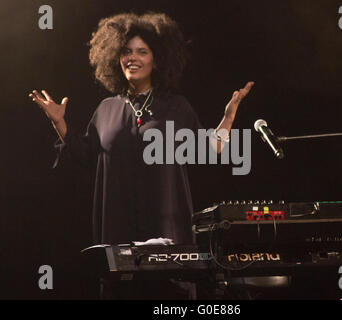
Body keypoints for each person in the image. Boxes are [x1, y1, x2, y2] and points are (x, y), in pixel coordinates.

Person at [29, 11, 254, 299]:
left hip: (167, 233)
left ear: (156, 59)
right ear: (115, 57)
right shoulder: (106, 109)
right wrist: (59, 122)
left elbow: (209, 149)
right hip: (118, 233)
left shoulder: (176, 107)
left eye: (141, 52)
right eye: (126, 51)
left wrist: (228, 118)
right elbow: (84, 156)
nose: (132, 58)